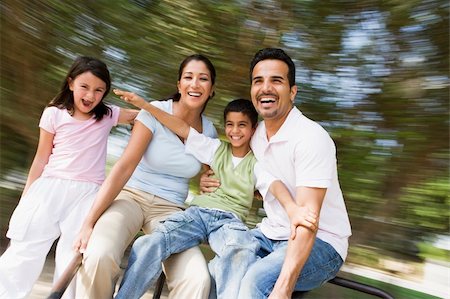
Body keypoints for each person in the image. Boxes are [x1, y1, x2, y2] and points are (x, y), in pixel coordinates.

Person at [110, 93, 318, 299]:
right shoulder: (215, 148)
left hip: (229, 222)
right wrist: (146, 106)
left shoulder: (257, 164)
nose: (235, 131)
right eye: (230, 124)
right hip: (197, 215)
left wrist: (293, 209)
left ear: (254, 129)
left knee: (241, 251)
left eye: (242, 125)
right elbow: (181, 128)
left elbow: (275, 185)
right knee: (150, 243)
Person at [200, 48, 352, 299]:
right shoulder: (256, 135)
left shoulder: (311, 138)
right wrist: (208, 177)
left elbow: (307, 221)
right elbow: (233, 164)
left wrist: (284, 287)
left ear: (292, 91)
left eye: (276, 81)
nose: (266, 88)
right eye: (258, 81)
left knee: (254, 282)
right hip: (270, 233)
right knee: (216, 272)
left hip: (322, 243)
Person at [73, 54, 218, 299]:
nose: (195, 84)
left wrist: (206, 181)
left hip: (171, 210)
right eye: (188, 77)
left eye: (203, 79)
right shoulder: (154, 111)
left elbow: (209, 172)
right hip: (130, 197)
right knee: (99, 254)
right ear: (179, 84)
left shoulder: (210, 130)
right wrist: (89, 221)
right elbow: (124, 166)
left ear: (211, 89)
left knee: (197, 279)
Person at [0, 56, 137, 299]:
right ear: (71, 83)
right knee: (25, 250)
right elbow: (41, 158)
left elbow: (141, 117)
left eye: (99, 90)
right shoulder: (54, 113)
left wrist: (143, 104)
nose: (91, 95)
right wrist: (27, 198)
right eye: (85, 87)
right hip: (49, 188)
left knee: (73, 256)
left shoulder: (108, 115)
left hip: (88, 194)